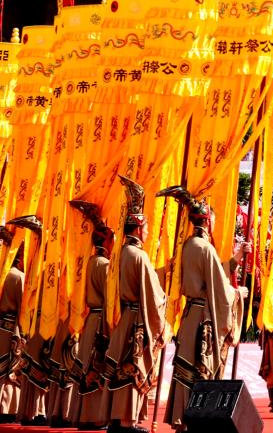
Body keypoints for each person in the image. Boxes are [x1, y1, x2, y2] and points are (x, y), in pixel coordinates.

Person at [158, 186, 247, 430]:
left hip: (191, 316)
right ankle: (198, 422)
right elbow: (219, 288)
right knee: (200, 370)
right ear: (207, 221)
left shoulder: (189, 245)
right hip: (202, 321)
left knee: (185, 370)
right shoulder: (205, 248)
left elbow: (212, 274)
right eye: (213, 220)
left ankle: (182, 420)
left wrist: (236, 259)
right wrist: (237, 294)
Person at [105, 176, 167, 433]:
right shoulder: (138, 255)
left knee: (123, 369)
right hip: (136, 322)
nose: (149, 232)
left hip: (126, 318)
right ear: (139, 228)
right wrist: (164, 308)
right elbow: (153, 295)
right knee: (132, 369)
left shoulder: (122, 253)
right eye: (148, 228)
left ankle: (118, 420)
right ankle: (127, 421)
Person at [66, 201, 112, 431]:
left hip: (90, 319)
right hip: (100, 321)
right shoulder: (104, 265)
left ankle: (82, 416)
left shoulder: (91, 262)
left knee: (87, 366)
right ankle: (94, 417)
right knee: (97, 365)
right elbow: (110, 298)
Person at [0, 223, 29, 424]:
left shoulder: (4, 273)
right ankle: (7, 408)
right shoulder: (18, 277)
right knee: (10, 368)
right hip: (12, 329)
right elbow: (23, 309)